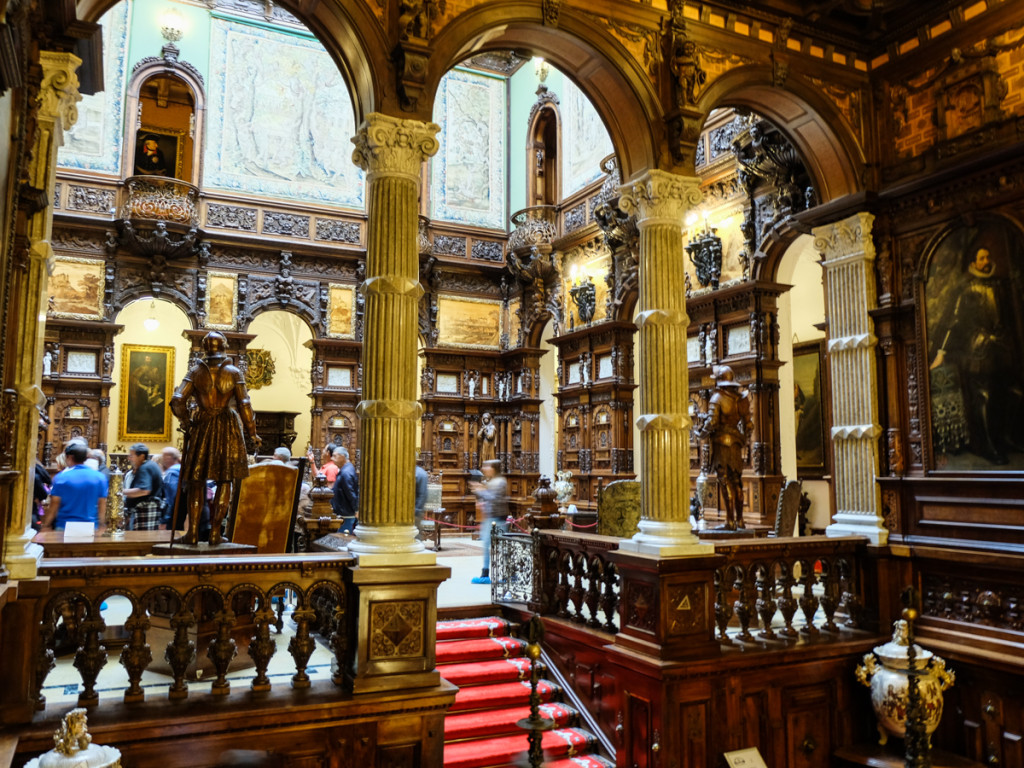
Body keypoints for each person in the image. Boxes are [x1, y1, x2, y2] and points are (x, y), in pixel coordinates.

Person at [930, 247, 1024, 464]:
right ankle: (986, 445)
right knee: (984, 396)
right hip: (977, 348)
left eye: (988, 257)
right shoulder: (966, 287)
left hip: (1000, 347)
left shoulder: (998, 285)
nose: (986, 261)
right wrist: (941, 352)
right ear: (973, 261)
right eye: (981, 258)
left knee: (1015, 392)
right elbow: (952, 321)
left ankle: (1006, 437)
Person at [170, 331, 261, 545]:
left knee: (196, 481)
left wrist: (186, 421)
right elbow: (244, 405)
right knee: (224, 479)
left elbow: (177, 399)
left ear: (205, 347)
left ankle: (192, 533)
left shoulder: (195, 371)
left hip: (202, 425)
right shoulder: (233, 372)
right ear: (224, 346)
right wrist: (252, 432)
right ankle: (215, 534)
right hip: (226, 424)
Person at [703, 365, 752, 531]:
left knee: (724, 480)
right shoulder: (741, 399)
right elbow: (749, 425)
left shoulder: (717, 397)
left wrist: (701, 432)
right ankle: (740, 520)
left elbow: (712, 422)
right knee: (737, 480)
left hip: (722, 443)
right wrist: (743, 439)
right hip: (736, 443)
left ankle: (730, 521)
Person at [42, 443, 107, 531]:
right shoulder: (100, 478)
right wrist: (102, 524)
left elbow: (54, 504)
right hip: (90, 526)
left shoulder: (61, 477)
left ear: (70, 457)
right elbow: (102, 504)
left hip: (64, 525)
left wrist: (46, 525)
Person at [470, 459, 508, 584]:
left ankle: (506, 574)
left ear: (494, 468)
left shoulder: (500, 481)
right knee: (487, 545)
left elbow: (494, 498)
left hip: (497, 518)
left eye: (487, 466)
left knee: (500, 547)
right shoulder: (492, 481)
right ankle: (485, 573)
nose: (484, 468)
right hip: (490, 517)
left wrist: (480, 490)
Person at [124, 443, 164, 531]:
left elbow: (143, 490)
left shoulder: (145, 468)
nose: (129, 458)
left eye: (131, 456)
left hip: (144, 512)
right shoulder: (150, 465)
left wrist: (120, 492)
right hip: (147, 512)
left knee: (139, 541)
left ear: (141, 456)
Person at [331, 446, 358, 534]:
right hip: (344, 513)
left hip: (346, 514)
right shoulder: (346, 469)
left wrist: (356, 509)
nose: (332, 458)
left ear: (342, 456)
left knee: (343, 538)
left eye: (335, 456)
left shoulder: (346, 472)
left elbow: (351, 493)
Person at [159, 446, 182, 528]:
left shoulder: (172, 473)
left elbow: (171, 497)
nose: (162, 459)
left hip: (176, 515)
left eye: (163, 456)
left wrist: (166, 518)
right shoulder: (181, 468)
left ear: (169, 458)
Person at [414, 460, 428, 529]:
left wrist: (416, 510)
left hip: (415, 512)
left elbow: (423, 495)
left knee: (415, 534)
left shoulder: (419, 473)